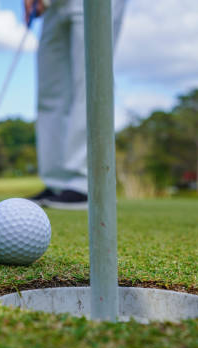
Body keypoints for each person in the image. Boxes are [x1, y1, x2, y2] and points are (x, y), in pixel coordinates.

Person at [25, 0, 127, 209]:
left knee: (91, 80)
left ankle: (86, 182)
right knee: (50, 90)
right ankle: (56, 181)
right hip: (54, 6)